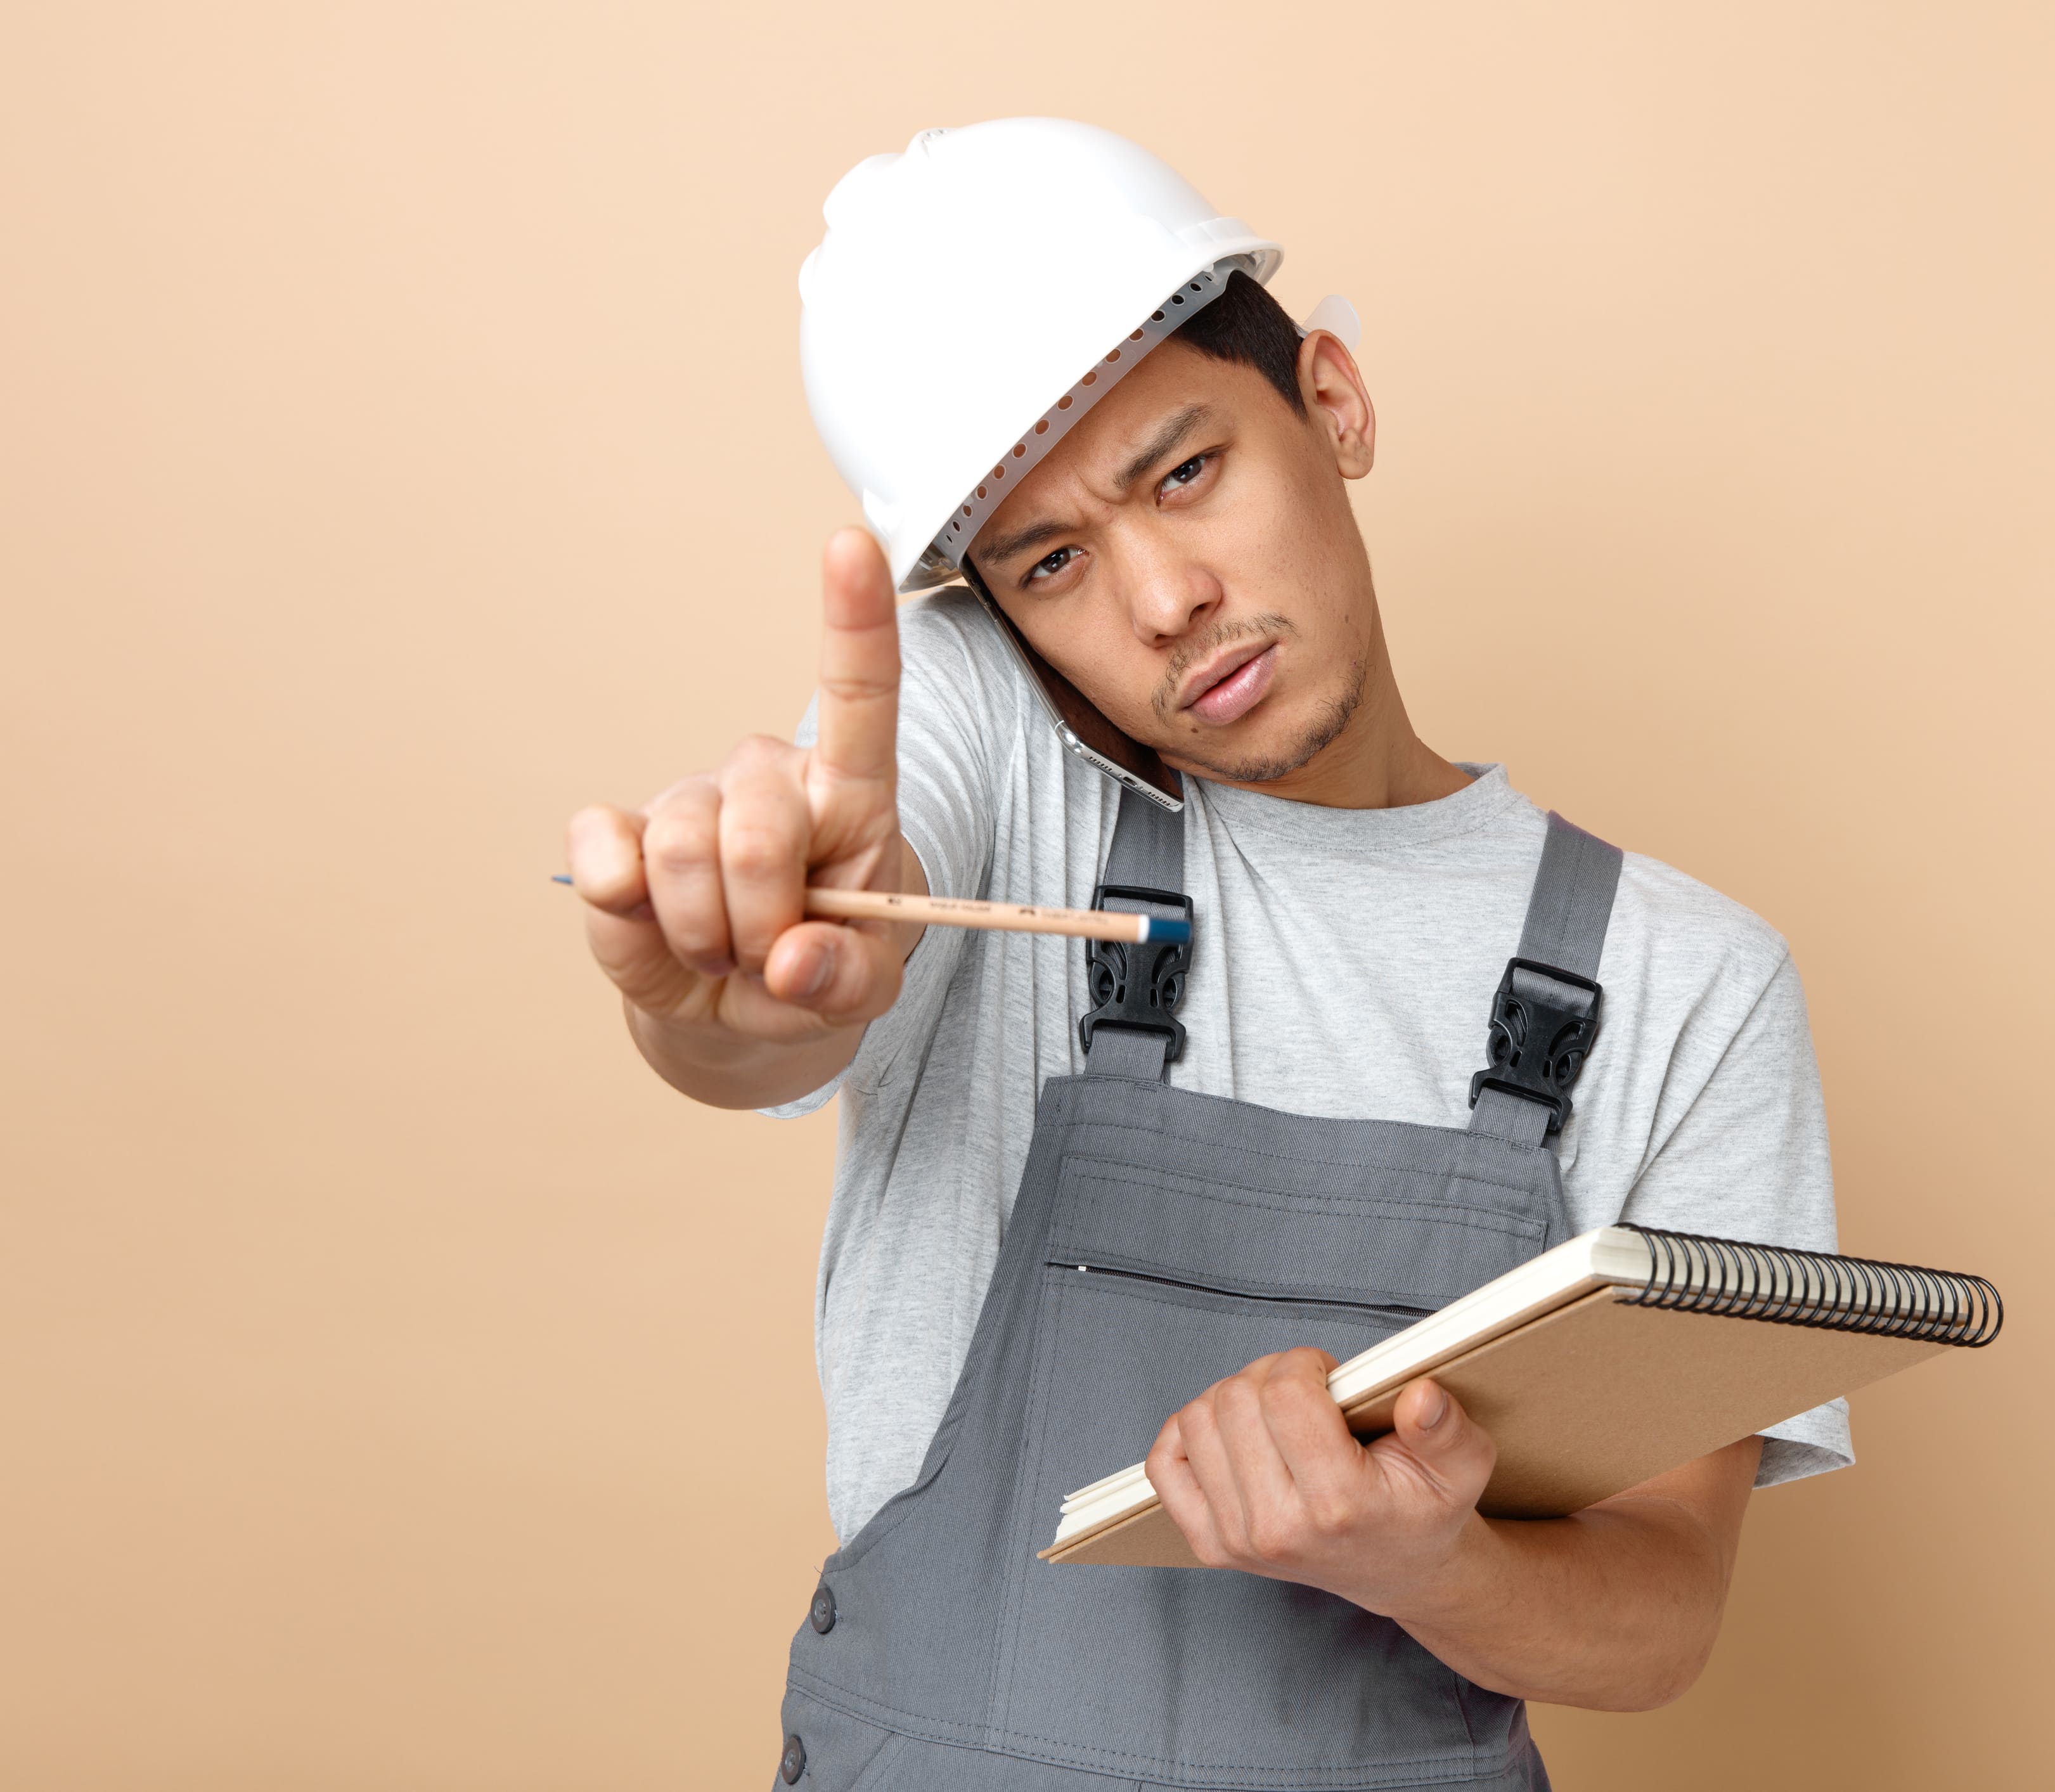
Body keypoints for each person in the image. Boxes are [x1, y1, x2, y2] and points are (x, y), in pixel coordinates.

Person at [564, 119, 1847, 1791]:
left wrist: (1424, 1562)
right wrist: (722, 1003)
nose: (1162, 597)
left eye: (1185, 472)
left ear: (1333, 400)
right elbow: (793, 995)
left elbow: (1663, 1608)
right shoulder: (1001, 752)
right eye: (1052, 562)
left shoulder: (1692, 984)